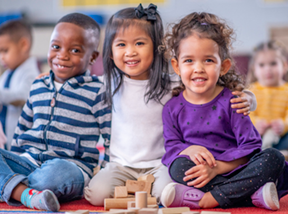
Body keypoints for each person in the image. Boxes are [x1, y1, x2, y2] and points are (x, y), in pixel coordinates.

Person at [84, 4, 257, 206]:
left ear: (157, 48)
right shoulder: (108, 83)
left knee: (169, 194)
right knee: (96, 195)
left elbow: (216, 87)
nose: (130, 52)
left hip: (161, 164)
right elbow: (78, 85)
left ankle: (148, 192)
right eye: (121, 45)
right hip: (120, 165)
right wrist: (53, 78)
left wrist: (248, 98)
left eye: (139, 43)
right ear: (111, 53)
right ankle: (135, 191)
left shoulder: (173, 82)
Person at [160, 12, 288, 210]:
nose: (198, 68)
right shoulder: (171, 108)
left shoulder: (234, 101)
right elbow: (171, 148)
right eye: (189, 61)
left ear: (224, 66)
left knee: (274, 158)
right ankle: (251, 195)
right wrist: (188, 150)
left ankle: (208, 199)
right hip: (203, 174)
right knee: (178, 168)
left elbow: (251, 146)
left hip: (238, 169)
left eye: (208, 60)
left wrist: (218, 167)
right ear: (176, 66)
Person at [0, 13, 111, 212]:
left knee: (54, 175)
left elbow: (111, 136)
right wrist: (15, 160)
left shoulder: (97, 91)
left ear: (93, 57)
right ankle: (26, 194)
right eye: (56, 47)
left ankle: (10, 186)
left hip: (70, 167)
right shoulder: (38, 85)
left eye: (75, 50)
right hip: (29, 161)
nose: (62, 55)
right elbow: (21, 128)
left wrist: (104, 173)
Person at [0, 19, 40, 150]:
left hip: (20, 143)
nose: (1, 57)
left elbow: (23, 96)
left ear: (24, 45)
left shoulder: (31, 72)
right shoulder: (7, 74)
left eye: (5, 51)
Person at [247, 41, 288, 152]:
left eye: (273, 63)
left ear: (284, 66)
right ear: (254, 69)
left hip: (282, 136)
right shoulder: (250, 91)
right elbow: (247, 114)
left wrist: (284, 125)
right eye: (262, 65)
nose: (267, 69)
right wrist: (255, 124)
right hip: (257, 135)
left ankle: (278, 153)